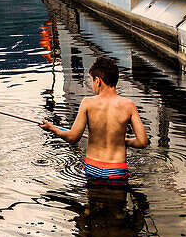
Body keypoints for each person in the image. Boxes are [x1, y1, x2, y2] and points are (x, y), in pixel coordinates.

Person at [40, 56, 148, 184]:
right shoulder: (128, 105)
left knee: (93, 204)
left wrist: (53, 129)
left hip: (93, 167)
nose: (92, 86)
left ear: (98, 81)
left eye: (91, 81)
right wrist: (124, 141)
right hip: (117, 169)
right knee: (118, 204)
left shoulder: (88, 103)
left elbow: (73, 137)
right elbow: (142, 142)